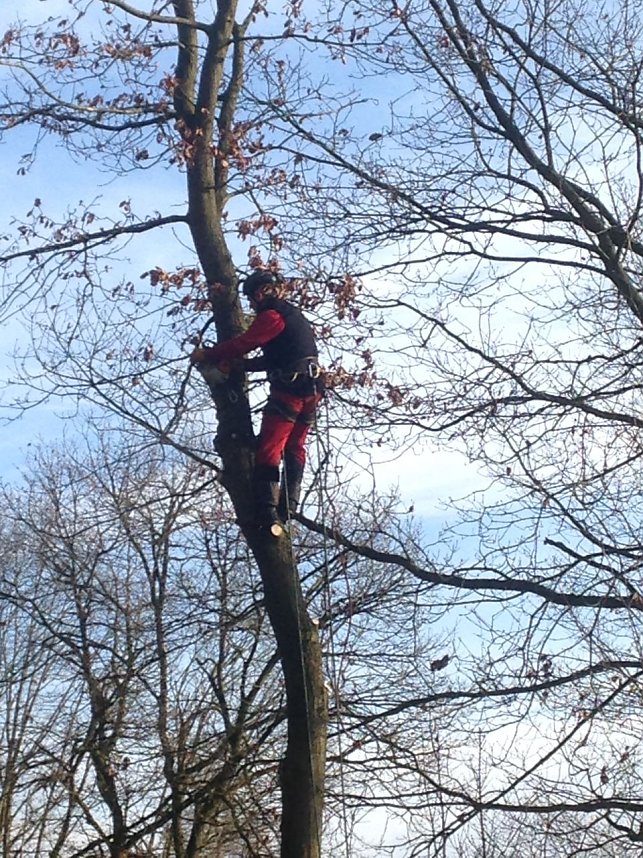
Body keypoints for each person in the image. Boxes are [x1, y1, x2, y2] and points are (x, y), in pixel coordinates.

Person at [190, 270, 323, 533]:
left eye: (251, 298)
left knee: (270, 449)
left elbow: (245, 343)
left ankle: (267, 509)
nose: (251, 304)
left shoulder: (272, 315)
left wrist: (208, 354)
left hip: (291, 389)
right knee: (296, 445)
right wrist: (245, 366)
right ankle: (289, 506)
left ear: (261, 292)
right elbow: (277, 357)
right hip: (311, 388)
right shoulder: (293, 316)